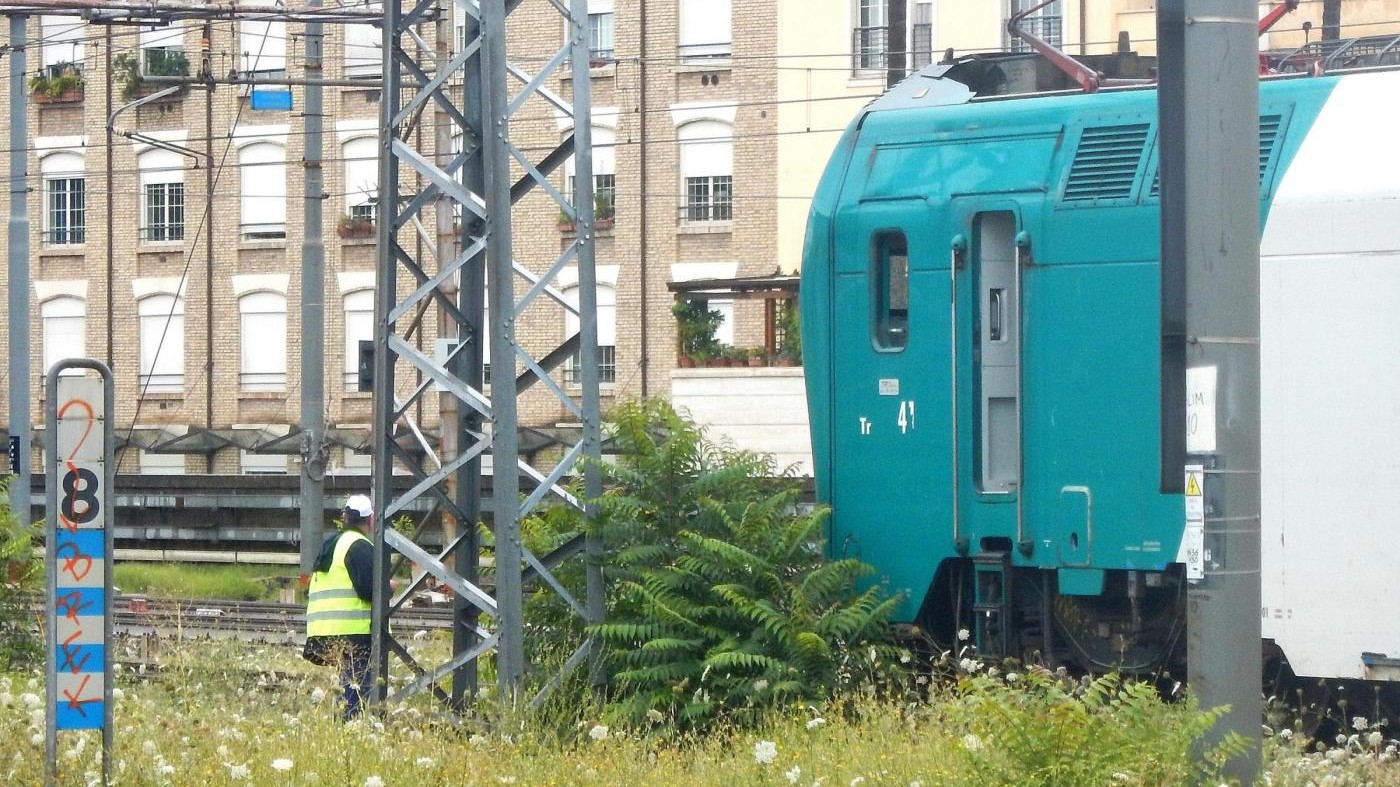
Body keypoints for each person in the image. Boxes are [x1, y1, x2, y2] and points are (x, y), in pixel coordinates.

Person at [304, 494, 375, 720]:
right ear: (370, 520)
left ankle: (345, 727)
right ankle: (351, 728)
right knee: (357, 686)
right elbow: (370, 589)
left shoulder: (331, 544)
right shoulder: (359, 545)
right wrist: (389, 586)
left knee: (347, 685)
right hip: (355, 632)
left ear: (345, 518)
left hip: (325, 630)